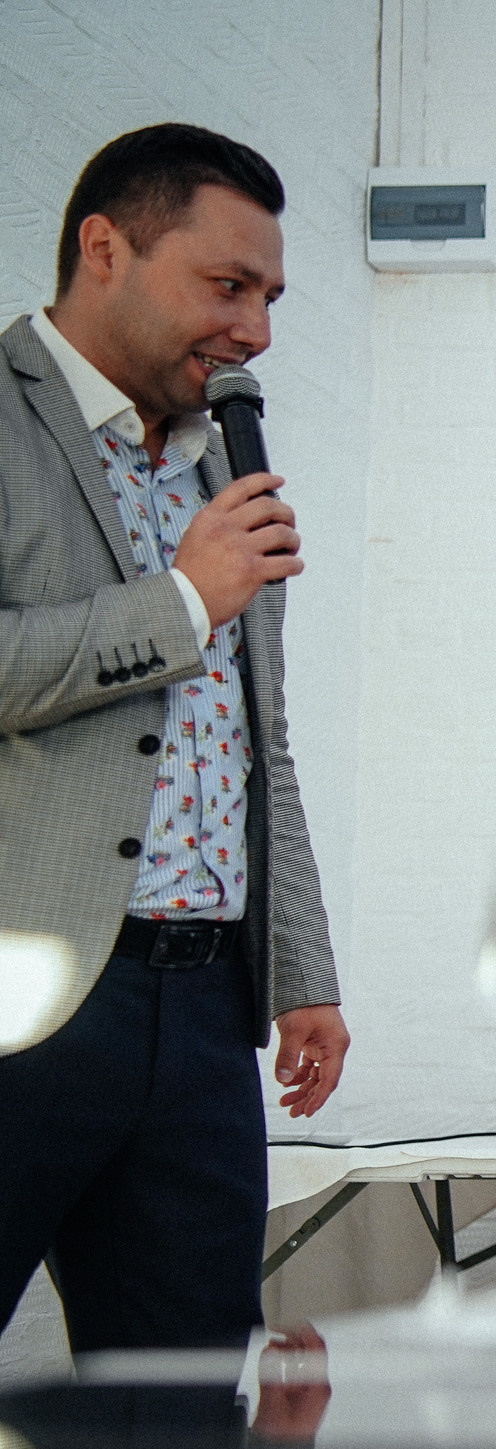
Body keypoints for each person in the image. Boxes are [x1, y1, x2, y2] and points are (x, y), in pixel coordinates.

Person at [0, 125, 346, 1355]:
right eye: (227, 285)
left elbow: (262, 744)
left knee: (191, 1397)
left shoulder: (220, 479)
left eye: (270, 299)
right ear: (105, 249)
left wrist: (300, 970)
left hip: (204, 1014)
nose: (256, 330)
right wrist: (184, 602)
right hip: (22, 994)